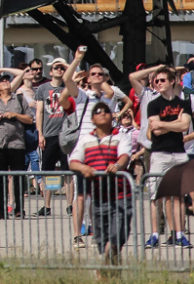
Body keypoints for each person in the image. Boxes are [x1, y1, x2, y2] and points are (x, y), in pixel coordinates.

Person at [69, 102, 133, 265]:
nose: (102, 114)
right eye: (98, 112)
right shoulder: (86, 139)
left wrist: (117, 165)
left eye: (106, 111)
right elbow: (73, 162)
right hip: (98, 198)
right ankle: (111, 273)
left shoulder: (121, 136)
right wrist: (83, 167)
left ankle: (104, 270)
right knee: (104, 242)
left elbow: (125, 156)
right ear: (92, 118)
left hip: (120, 197)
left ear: (112, 116)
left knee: (116, 239)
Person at [142, 66, 191, 249]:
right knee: (156, 197)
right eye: (156, 81)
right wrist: (174, 123)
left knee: (178, 196)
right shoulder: (153, 104)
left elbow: (185, 126)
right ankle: (154, 234)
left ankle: (179, 234)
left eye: (162, 80)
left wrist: (165, 125)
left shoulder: (183, 103)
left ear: (172, 81)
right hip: (159, 154)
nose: (158, 83)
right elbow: (154, 128)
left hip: (179, 153)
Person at [0, 73, 33, 218]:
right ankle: (1, 209)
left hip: (17, 143)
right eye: (2, 81)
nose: (6, 83)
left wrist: (15, 115)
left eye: (7, 81)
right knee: (0, 178)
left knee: (18, 178)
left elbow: (30, 119)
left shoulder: (19, 99)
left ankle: (18, 209)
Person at [34, 58, 72, 216]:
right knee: (48, 171)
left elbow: (74, 76)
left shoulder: (68, 87)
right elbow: (39, 112)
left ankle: (70, 204)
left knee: (68, 171)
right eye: (56, 67)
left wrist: (66, 64)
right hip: (49, 134)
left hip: (65, 134)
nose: (59, 69)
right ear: (50, 72)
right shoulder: (43, 89)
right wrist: (40, 134)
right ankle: (47, 205)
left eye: (61, 68)